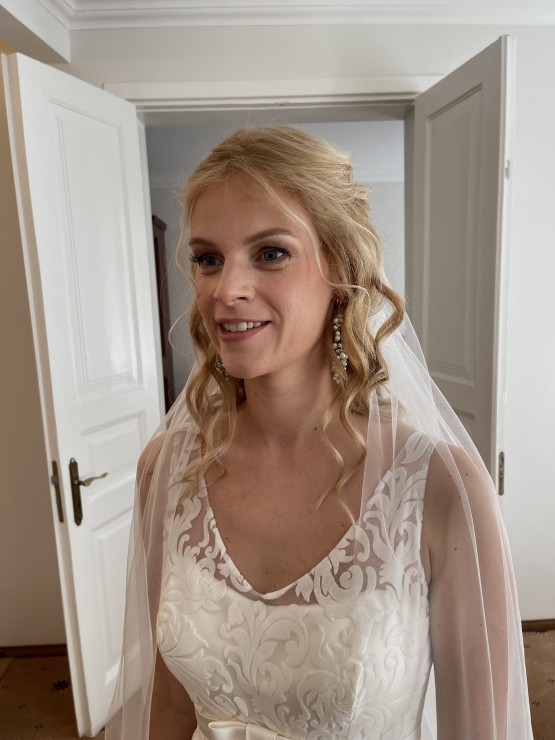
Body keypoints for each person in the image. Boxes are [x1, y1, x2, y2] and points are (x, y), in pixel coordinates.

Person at [106, 126, 533, 739]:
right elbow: (169, 706)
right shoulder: (168, 469)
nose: (226, 290)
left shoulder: (441, 488)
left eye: (270, 253)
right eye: (208, 259)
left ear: (341, 268)